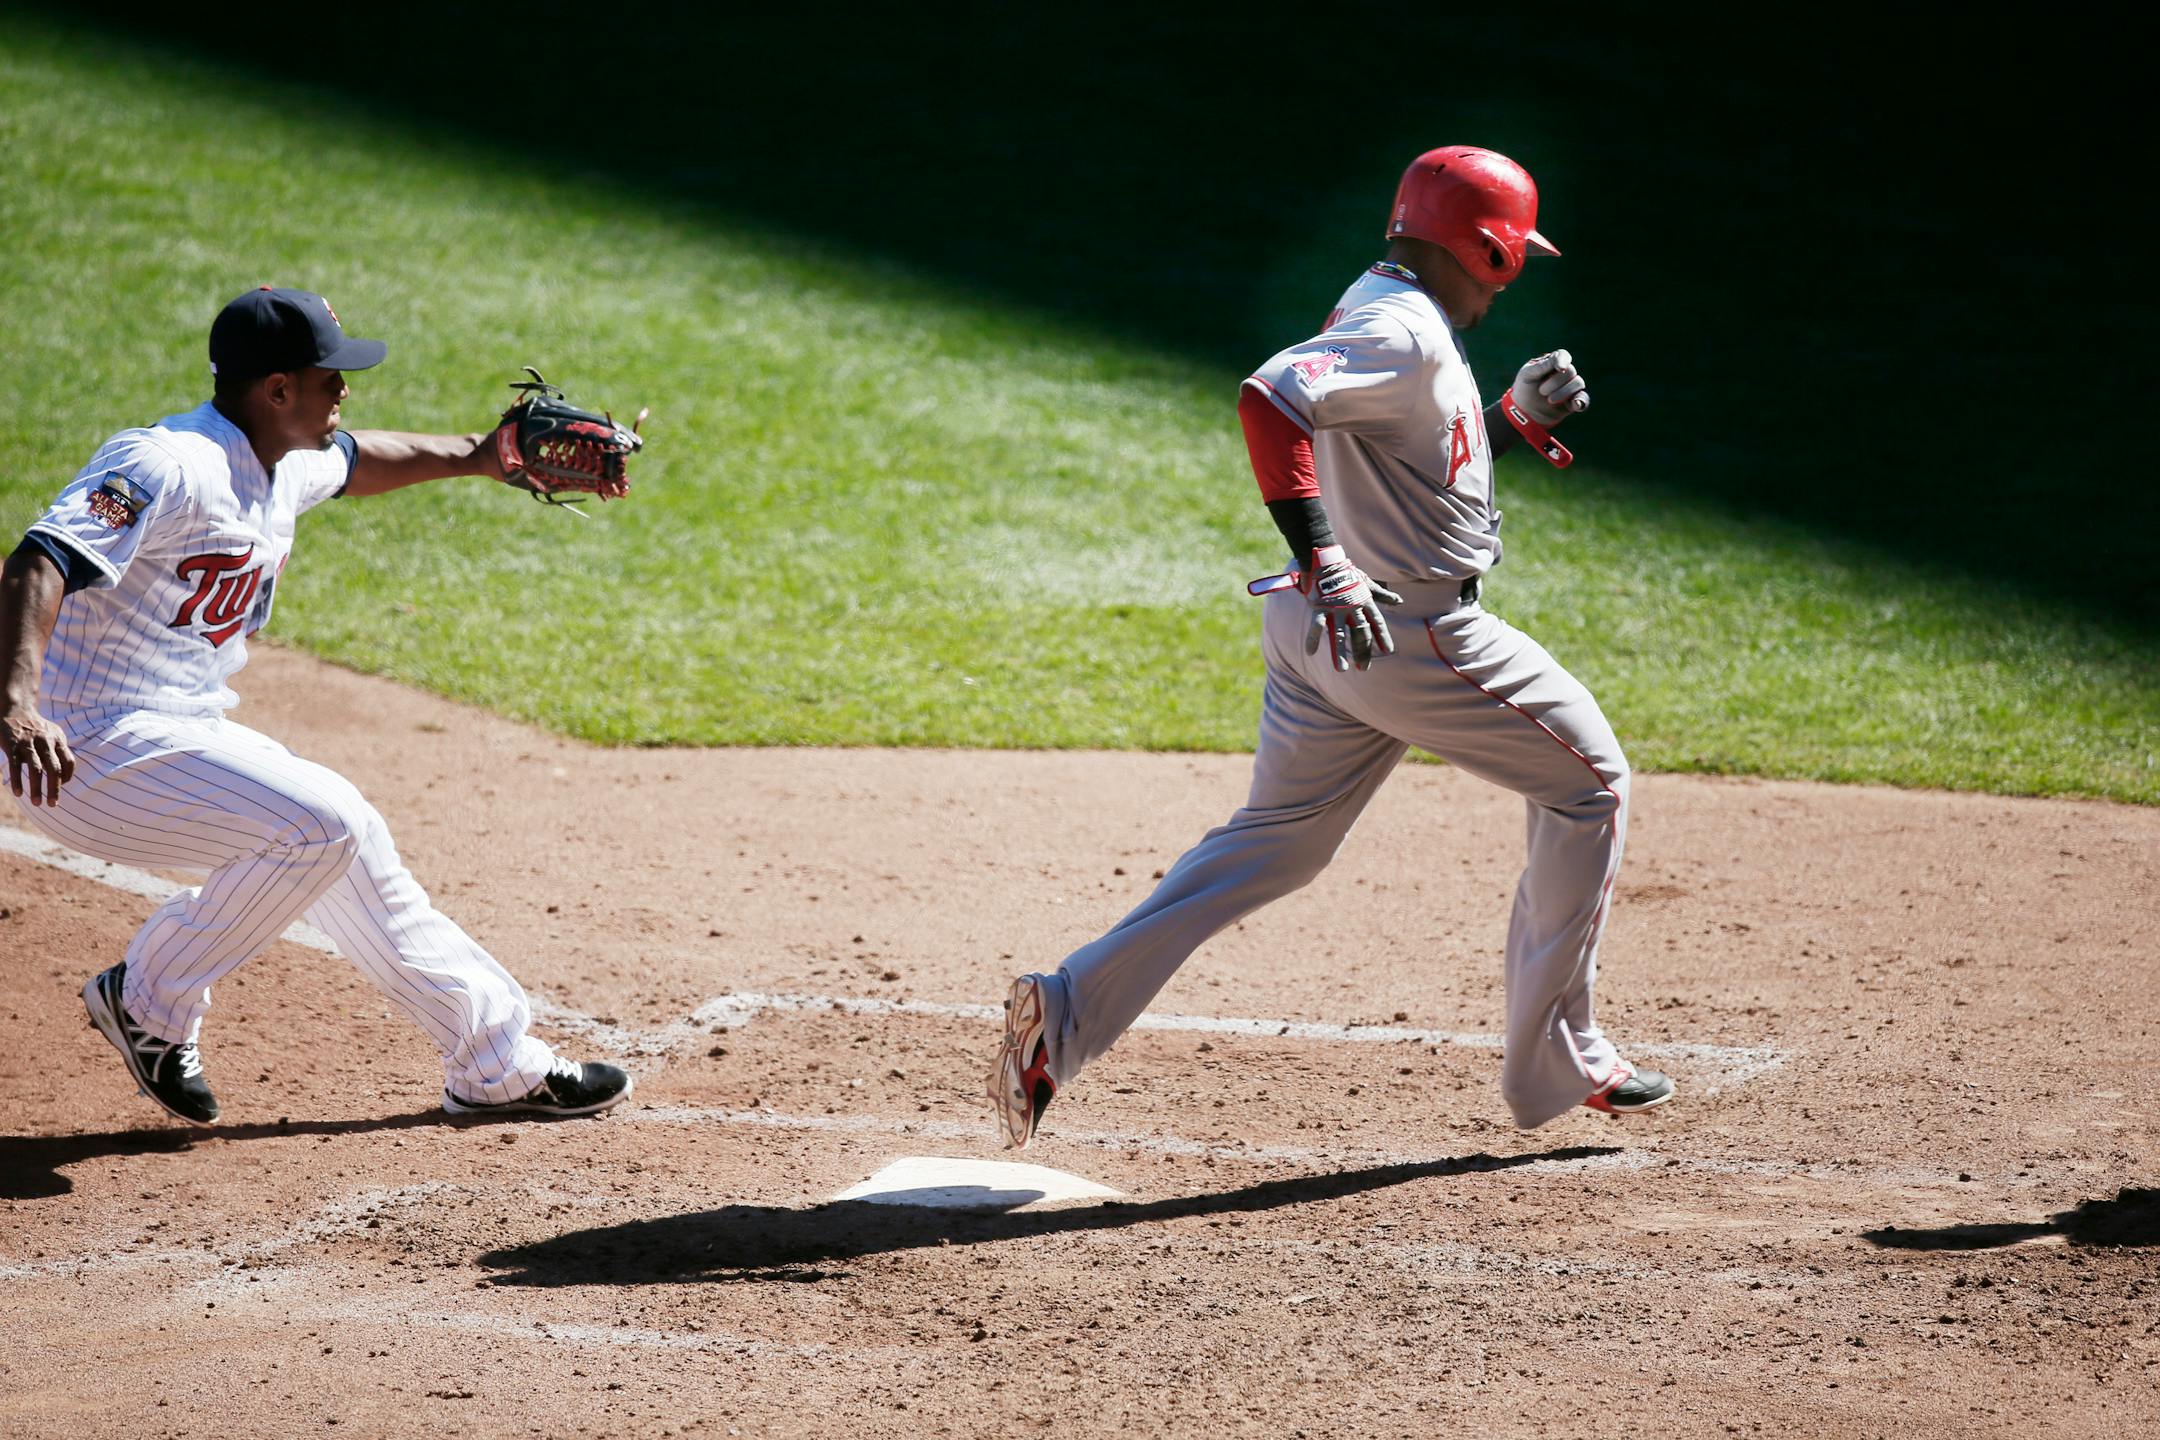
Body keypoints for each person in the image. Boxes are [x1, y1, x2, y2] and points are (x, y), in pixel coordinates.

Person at [989, 147, 1670, 1148]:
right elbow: (1269, 398)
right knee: (1591, 785)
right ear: (1491, 251)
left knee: (1278, 843)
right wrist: (1328, 561)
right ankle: (1558, 1058)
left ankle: (1065, 1014)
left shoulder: (1383, 303)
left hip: (1327, 636)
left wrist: (1508, 423)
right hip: (1405, 635)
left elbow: (1400, 463)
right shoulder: (1404, 331)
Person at [0, 286, 633, 1126]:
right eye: (328, 375)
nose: (345, 389)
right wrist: (14, 704)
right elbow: (40, 560)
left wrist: (480, 455)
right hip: (79, 748)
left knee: (349, 834)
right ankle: (146, 1001)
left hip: (177, 729)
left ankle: (495, 1062)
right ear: (275, 389)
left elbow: (366, 459)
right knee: (318, 821)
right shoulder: (166, 462)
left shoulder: (284, 458)